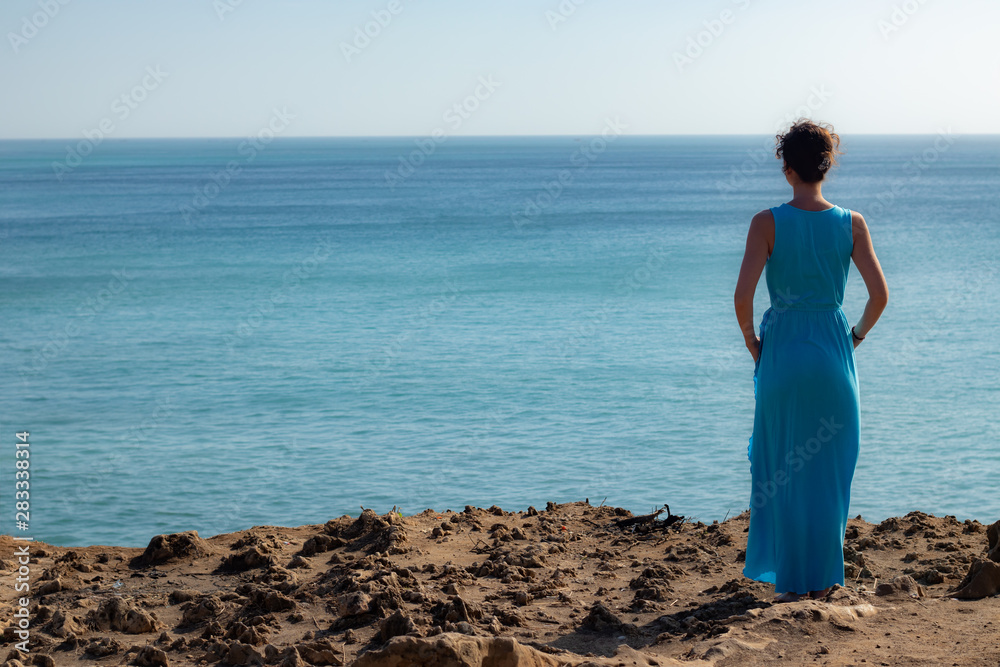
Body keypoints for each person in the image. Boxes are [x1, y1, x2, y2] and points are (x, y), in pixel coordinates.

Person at [733, 119, 889, 603]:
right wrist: (854, 337)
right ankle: (823, 579)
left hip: (782, 353)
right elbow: (880, 297)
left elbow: (742, 298)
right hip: (833, 352)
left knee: (780, 466)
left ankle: (788, 581)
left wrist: (753, 343)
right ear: (826, 167)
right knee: (829, 470)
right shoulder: (852, 223)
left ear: (787, 169)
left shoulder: (767, 222)